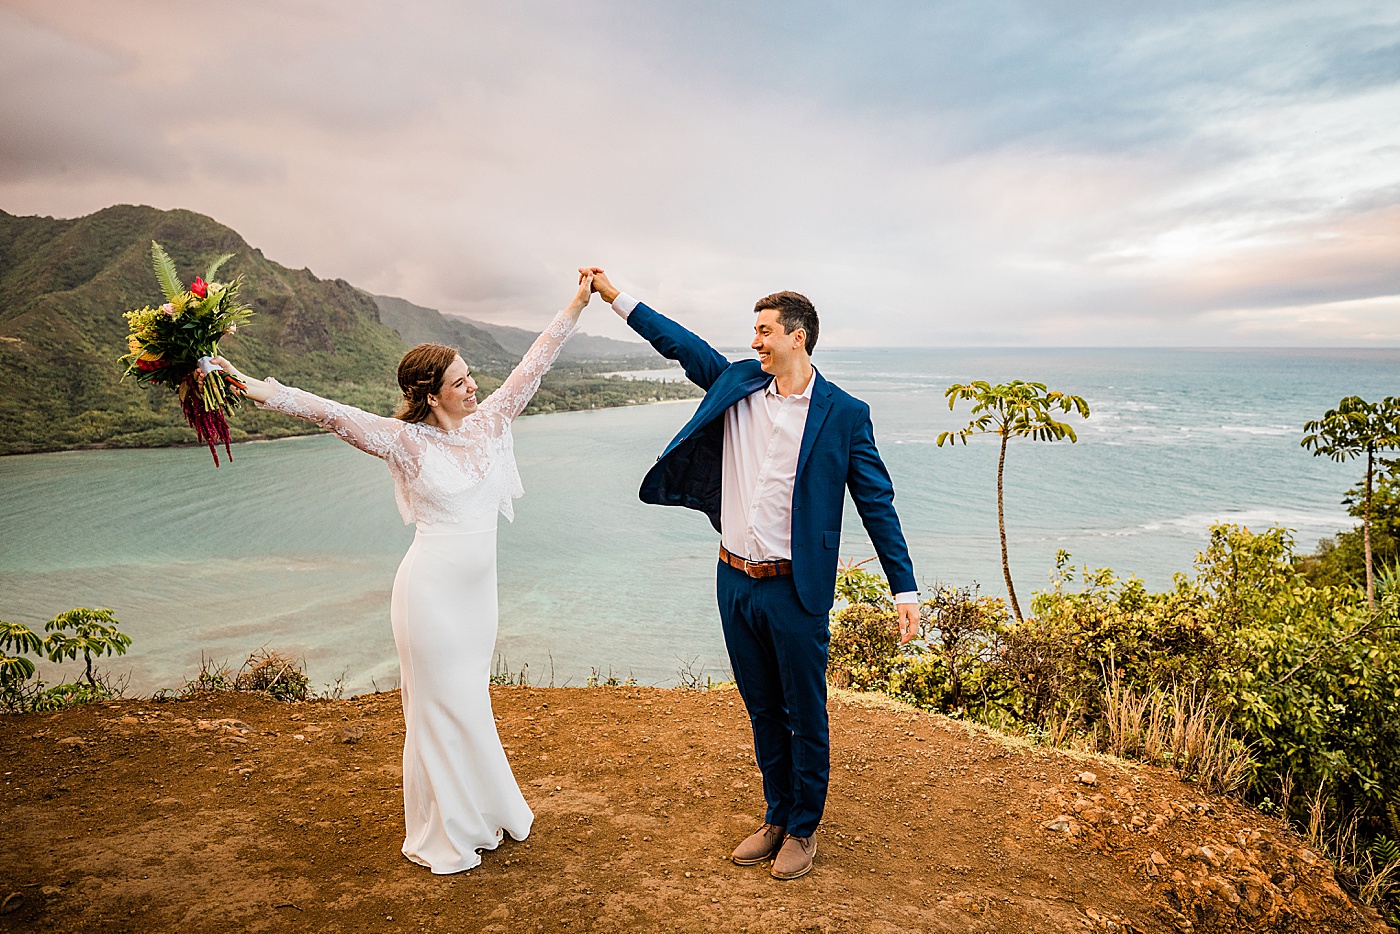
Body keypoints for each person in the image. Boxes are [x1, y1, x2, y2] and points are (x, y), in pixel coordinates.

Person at [210, 272, 594, 873]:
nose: (474, 386)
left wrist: (577, 302)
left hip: (477, 598)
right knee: (439, 705)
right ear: (431, 394)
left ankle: (485, 810)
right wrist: (250, 386)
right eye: (460, 381)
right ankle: (448, 829)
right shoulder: (404, 443)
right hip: (430, 595)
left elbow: (534, 364)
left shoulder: (490, 423)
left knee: (470, 700)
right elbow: (328, 413)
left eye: (471, 376)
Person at [584, 268, 919, 880]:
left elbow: (877, 502)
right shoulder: (736, 382)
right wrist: (614, 297)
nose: (756, 342)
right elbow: (678, 341)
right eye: (754, 332)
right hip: (733, 580)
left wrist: (905, 588)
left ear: (798, 337)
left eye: (765, 332)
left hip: (797, 588)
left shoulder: (844, 414)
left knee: (804, 709)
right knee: (762, 706)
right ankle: (775, 814)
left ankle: (803, 827)